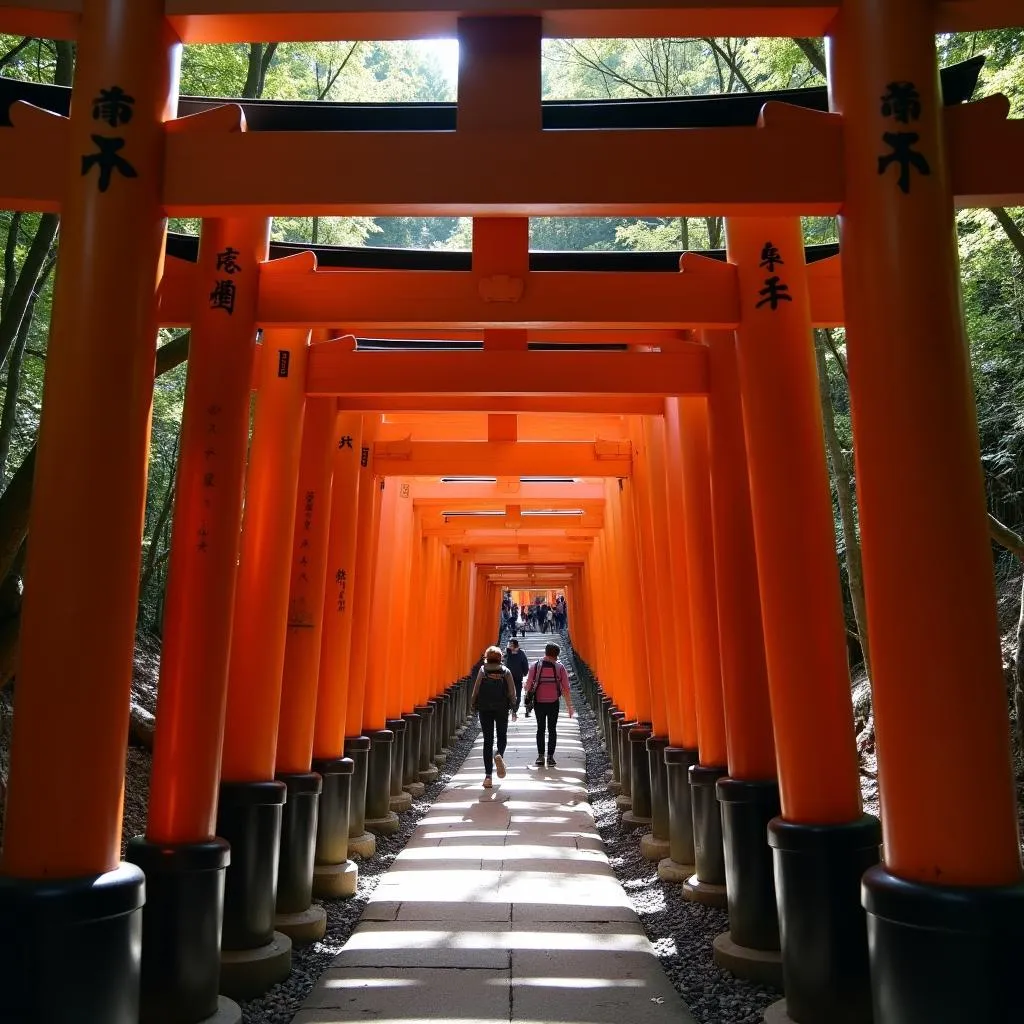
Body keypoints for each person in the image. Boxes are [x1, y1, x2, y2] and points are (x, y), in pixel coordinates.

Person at [470, 645, 517, 788]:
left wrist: (473, 704)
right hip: (501, 708)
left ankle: (488, 777)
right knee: (502, 735)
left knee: (487, 740)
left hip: (485, 708)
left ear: (487, 657)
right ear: (500, 658)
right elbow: (511, 692)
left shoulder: (483, 671)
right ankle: (499, 755)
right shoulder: (505, 671)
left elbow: (476, 689)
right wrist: (514, 707)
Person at [524, 642, 573, 768]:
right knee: (552, 729)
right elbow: (566, 688)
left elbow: (528, 685)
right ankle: (550, 757)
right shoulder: (559, 667)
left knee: (540, 729)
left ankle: (540, 756)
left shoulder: (535, 666)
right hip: (553, 702)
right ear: (557, 655)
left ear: (545, 652)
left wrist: (527, 697)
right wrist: (569, 706)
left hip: (539, 702)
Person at [504, 637, 530, 711]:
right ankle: (509, 705)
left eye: (511, 645)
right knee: (508, 691)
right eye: (509, 645)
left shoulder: (521, 653)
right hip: (508, 676)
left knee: (518, 691)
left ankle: (516, 706)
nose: (509, 646)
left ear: (516, 645)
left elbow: (525, 664)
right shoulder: (507, 653)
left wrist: (525, 672)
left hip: (518, 676)